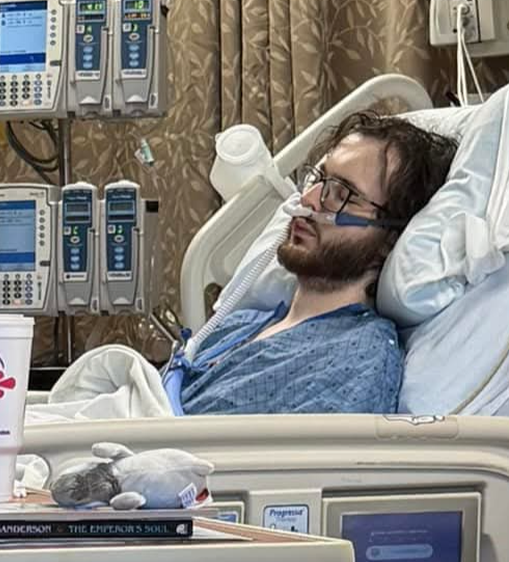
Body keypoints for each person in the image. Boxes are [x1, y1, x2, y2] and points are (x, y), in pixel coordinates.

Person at [167, 111, 460, 416]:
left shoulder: (359, 356)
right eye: (319, 179)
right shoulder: (239, 325)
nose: (308, 199)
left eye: (343, 194)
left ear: (390, 239)